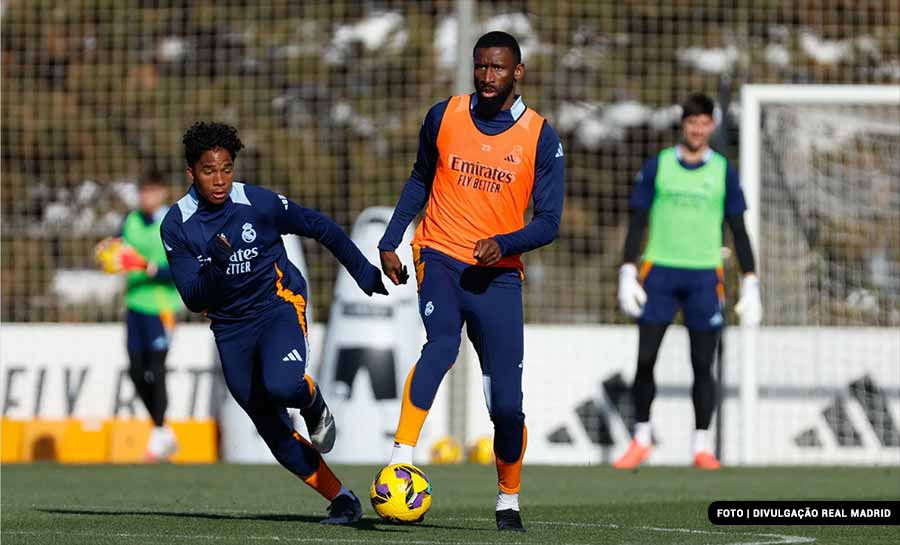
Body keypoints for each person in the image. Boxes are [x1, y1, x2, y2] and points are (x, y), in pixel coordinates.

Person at [377, 31, 565, 531]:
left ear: (517, 73)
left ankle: (508, 499)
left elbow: (549, 221)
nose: (487, 77)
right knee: (440, 344)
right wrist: (391, 240)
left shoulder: (540, 136)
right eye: (480, 66)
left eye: (498, 68)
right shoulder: (445, 115)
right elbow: (420, 177)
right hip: (437, 254)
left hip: (497, 275)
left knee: (507, 406)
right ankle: (401, 457)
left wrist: (504, 243)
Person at [160, 121, 387, 524]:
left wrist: (363, 271)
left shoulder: (257, 203)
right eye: (209, 171)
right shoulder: (177, 224)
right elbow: (194, 298)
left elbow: (318, 226)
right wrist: (217, 260)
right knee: (270, 427)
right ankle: (343, 500)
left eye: (227, 169)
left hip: (277, 306)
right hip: (230, 330)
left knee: (282, 385)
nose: (220, 180)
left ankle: (313, 401)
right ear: (191, 172)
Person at [614, 93, 762, 470]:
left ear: (711, 126)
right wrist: (627, 269)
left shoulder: (723, 172)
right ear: (683, 124)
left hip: (703, 277)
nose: (697, 129)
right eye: (691, 122)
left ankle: (701, 446)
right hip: (658, 273)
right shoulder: (658, 166)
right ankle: (641, 438)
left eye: (704, 123)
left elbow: (739, 230)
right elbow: (637, 222)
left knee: (702, 363)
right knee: (645, 358)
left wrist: (750, 279)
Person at [98, 171, 183, 461]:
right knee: (136, 370)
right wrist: (106, 253)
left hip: (162, 307)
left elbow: (182, 268)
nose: (146, 197)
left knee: (156, 370)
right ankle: (163, 430)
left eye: (152, 191)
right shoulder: (130, 220)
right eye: (142, 191)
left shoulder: (172, 222)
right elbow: (117, 247)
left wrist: (148, 266)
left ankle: (159, 432)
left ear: (162, 193)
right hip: (134, 304)